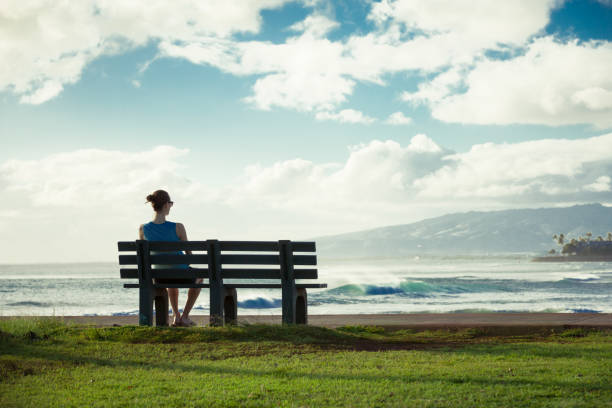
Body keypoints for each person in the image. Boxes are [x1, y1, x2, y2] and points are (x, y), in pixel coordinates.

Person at [139, 189, 201, 327]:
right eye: (171, 203)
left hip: (158, 276)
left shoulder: (143, 229)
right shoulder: (178, 227)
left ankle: (176, 316)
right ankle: (184, 316)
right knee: (199, 277)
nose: (171, 207)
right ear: (166, 204)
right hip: (180, 274)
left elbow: (145, 257)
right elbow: (189, 255)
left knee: (170, 276)